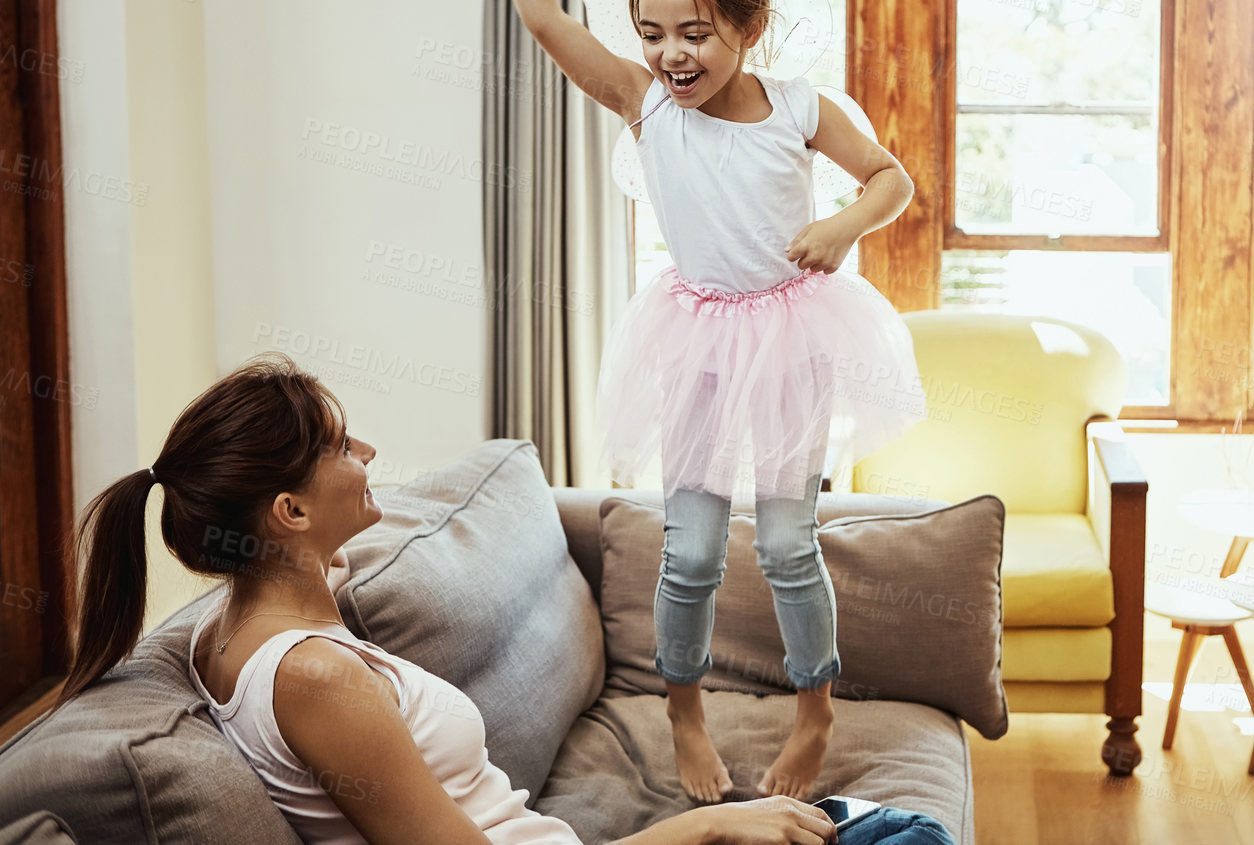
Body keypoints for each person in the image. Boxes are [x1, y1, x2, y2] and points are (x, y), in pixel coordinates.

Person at [465, 0, 928, 807]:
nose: (671, 54)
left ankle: (814, 711)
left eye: (696, 32)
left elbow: (892, 179)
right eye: (652, 32)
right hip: (701, 340)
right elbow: (545, 19)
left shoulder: (801, 108)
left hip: (793, 333)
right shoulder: (645, 106)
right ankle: (683, 711)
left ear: (749, 27)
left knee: (789, 542)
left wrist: (843, 223)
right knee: (696, 548)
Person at [51, 353, 952, 844]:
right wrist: (705, 828)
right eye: (338, 445)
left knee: (877, 829)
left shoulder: (239, 622)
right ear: (287, 510)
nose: (366, 450)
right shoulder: (313, 676)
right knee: (903, 839)